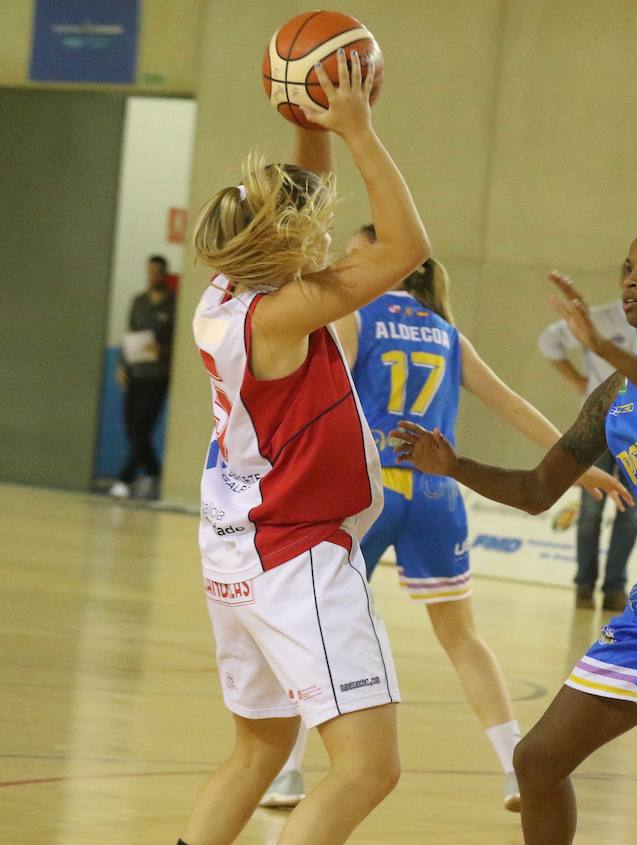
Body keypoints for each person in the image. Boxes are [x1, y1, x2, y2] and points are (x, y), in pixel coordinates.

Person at [261, 135, 632, 813]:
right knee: (461, 637)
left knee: (310, 634)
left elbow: (313, 399)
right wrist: (582, 470)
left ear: (385, 261)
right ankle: (517, 767)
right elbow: (516, 405)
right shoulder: (444, 330)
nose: (344, 259)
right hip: (436, 494)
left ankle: (285, 772)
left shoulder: (350, 315)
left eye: (355, 252)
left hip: (366, 492)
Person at [392, 212, 637, 845]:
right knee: (537, 763)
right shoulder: (614, 395)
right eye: (627, 269)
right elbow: (535, 490)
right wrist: (455, 465)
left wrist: (604, 348)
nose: (631, 282)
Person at [178, 53, 429, 845]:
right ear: (284, 253)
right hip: (298, 557)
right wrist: (357, 128)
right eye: (306, 229)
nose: (321, 225)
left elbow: (303, 205)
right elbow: (406, 247)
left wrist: (304, 123)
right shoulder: (283, 317)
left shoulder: (225, 299)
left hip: (236, 552)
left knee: (258, 748)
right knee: (367, 768)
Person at [538, 298, 637, 610]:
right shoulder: (599, 317)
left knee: (630, 512)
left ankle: (615, 587)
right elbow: (549, 340)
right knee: (591, 509)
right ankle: (584, 584)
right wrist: (578, 380)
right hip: (596, 426)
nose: (635, 282)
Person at [109, 255, 176, 499]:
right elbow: (129, 333)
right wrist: (121, 366)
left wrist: (164, 350)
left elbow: (181, 341)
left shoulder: (173, 304)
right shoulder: (138, 301)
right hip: (136, 370)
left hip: (157, 374)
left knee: (143, 425)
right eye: (150, 271)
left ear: (164, 274)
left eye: (158, 271)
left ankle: (124, 479)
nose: (153, 276)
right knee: (131, 426)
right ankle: (153, 471)